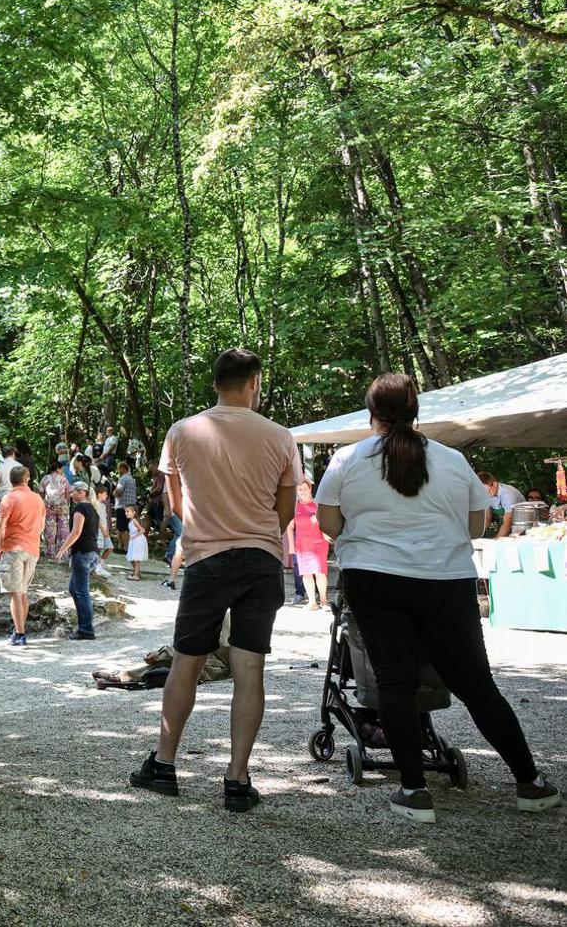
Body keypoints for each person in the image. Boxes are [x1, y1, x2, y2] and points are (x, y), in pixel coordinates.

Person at [315, 373, 559, 823]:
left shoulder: (347, 460)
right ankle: (530, 782)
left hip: (374, 578)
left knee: (394, 682)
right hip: (446, 581)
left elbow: (329, 524)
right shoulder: (452, 461)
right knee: (476, 685)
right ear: (416, 412)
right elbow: (475, 528)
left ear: (372, 417)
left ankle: (413, 789)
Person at [129, 348, 301, 814]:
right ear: (254, 383)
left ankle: (164, 765)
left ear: (215, 383)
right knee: (249, 669)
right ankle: (237, 779)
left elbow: (177, 505)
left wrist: (211, 526)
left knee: (187, 661)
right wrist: (256, 526)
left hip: (207, 560)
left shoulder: (183, 431)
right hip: (261, 559)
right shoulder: (281, 437)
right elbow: (286, 511)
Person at [0, 464, 45, 646]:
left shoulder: (9, 498)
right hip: (32, 549)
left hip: (13, 548)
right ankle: (19, 630)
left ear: (11, 480)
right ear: (27, 479)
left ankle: (19, 634)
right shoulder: (38, 499)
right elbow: (41, 526)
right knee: (23, 592)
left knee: (15, 593)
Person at [54, 482, 101, 640]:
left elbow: (76, 532)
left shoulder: (81, 508)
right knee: (74, 589)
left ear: (82, 492)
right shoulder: (93, 509)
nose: (71, 494)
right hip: (90, 552)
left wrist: (61, 550)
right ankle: (83, 626)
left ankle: (86, 629)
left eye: (73, 491)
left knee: (81, 591)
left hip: (83, 553)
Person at [286, 481, 331, 610]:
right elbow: (290, 527)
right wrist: (291, 546)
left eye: (305, 489)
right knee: (306, 574)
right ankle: (312, 602)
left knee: (320, 572)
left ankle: (323, 601)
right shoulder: (294, 507)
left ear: (310, 489)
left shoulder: (318, 504)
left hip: (319, 544)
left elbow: (328, 521)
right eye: (299, 490)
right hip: (302, 545)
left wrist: (319, 519)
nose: (302, 492)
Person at [476, 471, 524, 538]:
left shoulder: (508, 494)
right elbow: (487, 517)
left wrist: (496, 541)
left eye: (487, 492)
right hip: (505, 525)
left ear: (495, 484)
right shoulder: (486, 495)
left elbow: (508, 522)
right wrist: (477, 537)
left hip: (521, 526)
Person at [41, 465, 71, 562]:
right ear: (58, 469)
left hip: (49, 506)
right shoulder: (64, 479)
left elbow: (41, 493)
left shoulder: (45, 478)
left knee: (50, 528)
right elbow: (68, 493)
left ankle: (50, 552)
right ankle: (63, 553)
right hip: (62, 506)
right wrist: (64, 502)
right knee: (63, 528)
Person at [114, 462, 138, 553]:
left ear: (123, 468)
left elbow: (118, 491)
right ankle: (122, 546)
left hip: (122, 506)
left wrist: (113, 493)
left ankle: (125, 548)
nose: (118, 471)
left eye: (118, 468)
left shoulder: (123, 478)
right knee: (125, 527)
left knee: (123, 528)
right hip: (131, 506)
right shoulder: (132, 479)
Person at [125, 506, 149, 581]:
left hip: (138, 540)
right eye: (125, 512)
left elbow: (142, 530)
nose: (126, 513)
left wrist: (133, 537)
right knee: (132, 557)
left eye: (128, 511)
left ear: (134, 512)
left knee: (136, 558)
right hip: (134, 540)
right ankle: (137, 572)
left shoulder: (134, 521)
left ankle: (136, 575)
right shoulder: (131, 521)